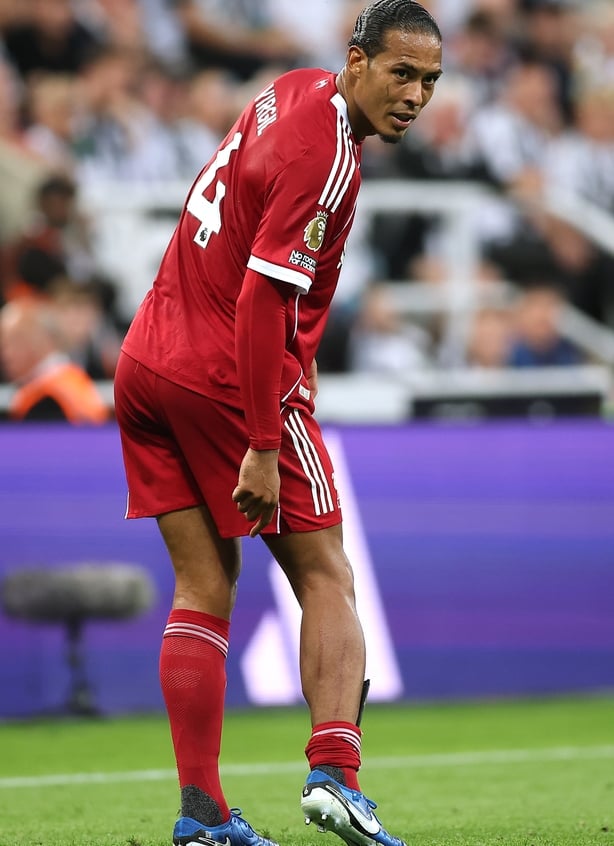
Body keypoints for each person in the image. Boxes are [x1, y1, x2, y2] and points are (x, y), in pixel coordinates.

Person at [113, 3, 442, 845]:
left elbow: (240, 228)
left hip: (148, 358)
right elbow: (263, 295)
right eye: (401, 73)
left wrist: (306, 349)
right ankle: (337, 773)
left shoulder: (289, 91)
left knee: (202, 586)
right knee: (326, 572)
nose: (415, 95)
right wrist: (264, 440)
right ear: (357, 61)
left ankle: (202, 814)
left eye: (430, 82)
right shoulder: (329, 154)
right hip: (228, 378)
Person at [0, 298, 110, 422]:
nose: (5, 354)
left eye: (13, 341)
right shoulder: (72, 379)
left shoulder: (47, 399)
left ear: (38, 340)